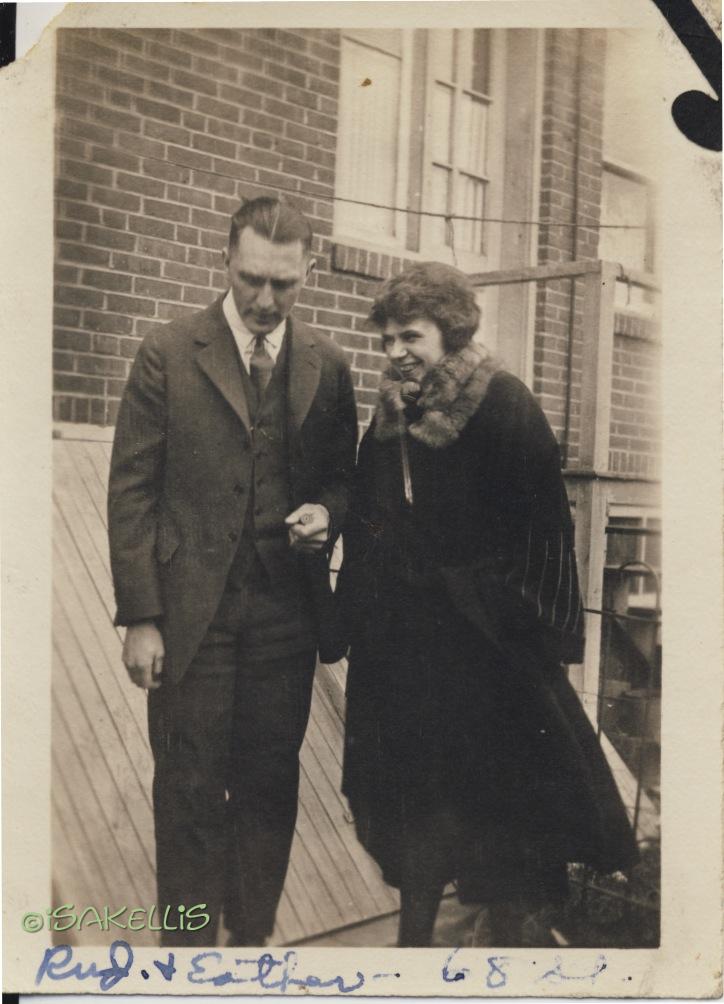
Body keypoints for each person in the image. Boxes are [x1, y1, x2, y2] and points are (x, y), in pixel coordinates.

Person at [338, 261, 639, 948]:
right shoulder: (389, 420)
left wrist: (499, 617)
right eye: (386, 340)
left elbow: (543, 536)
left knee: (505, 822)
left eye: (409, 336)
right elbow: (367, 523)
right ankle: (413, 949)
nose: (395, 353)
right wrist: (353, 616)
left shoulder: (504, 404)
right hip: (405, 656)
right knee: (411, 807)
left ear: (450, 331)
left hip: (487, 657)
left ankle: (510, 953)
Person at [107, 197, 357, 947]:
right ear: (226, 259)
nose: (264, 300)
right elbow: (132, 492)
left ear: (307, 273)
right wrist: (142, 618)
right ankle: (185, 962)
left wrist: (325, 513)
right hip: (192, 619)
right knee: (187, 793)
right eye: (251, 279)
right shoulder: (167, 351)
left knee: (267, 791)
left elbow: (344, 477)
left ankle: (247, 953)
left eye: (284, 285)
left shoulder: (329, 366)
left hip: (285, 618)